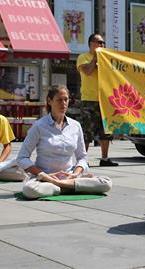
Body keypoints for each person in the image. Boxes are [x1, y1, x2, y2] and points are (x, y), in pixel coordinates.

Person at [16, 85, 112, 199]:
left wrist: (75, 174)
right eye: (59, 100)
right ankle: (70, 187)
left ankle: (62, 186)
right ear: (49, 101)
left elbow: (82, 157)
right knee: (30, 190)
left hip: (70, 177)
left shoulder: (75, 126)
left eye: (66, 99)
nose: (63, 103)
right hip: (45, 178)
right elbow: (22, 158)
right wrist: (44, 175)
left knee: (107, 183)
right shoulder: (39, 126)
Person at [76, 33, 117, 166]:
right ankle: (83, 160)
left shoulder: (106, 59)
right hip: (89, 99)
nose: (101, 45)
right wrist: (95, 58)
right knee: (87, 131)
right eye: (99, 42)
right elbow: (87, 71)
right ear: (91, 43)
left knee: (106, 131)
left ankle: (105, 158)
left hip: (105, 100)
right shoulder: (83, 57)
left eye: (102, 43)